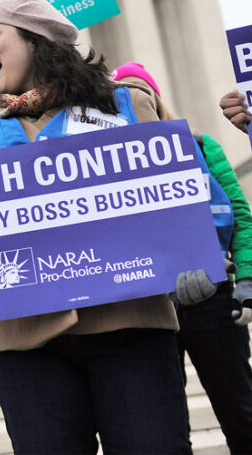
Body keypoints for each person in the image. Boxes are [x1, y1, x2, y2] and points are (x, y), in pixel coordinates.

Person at [0, 0, 209, 453]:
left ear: (37, 38)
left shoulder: (124, 104)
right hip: (25, 346)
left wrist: (196, 260)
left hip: (130, 327)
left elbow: (179, 194)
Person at [114, 63, 252, 453]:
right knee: (165, 427)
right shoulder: (109, 165)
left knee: (240, 411)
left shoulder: (204, 146)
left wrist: (246, 280)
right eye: (123, 95)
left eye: (140, 92)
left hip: (215, 298)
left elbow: (239, 215)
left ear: (156, 98)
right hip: (151, 306)